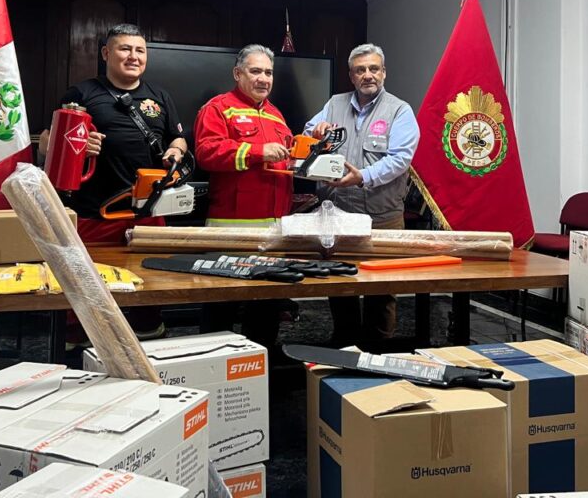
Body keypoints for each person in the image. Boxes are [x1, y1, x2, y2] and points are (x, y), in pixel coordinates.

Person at [39, 23, 187, 340]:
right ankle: (81, 350)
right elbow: (46, 141)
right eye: (125, 49)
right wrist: (77, 144)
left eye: (140, 50)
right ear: (107, 53)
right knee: (87, 288)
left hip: (148, 214)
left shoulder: (159, 95)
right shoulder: (82, 93)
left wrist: (175, 149)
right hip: (95, 212)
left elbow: (179, 138)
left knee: (151, 288)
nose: (133, 56)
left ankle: (148, 341)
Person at [304, 43, 419, 347]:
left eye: (374, 69)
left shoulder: (400, 110)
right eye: (360, 70)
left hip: (381, 218)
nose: (368, 75)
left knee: (381, 289)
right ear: (351, 76)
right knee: (340, 282)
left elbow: (399, 160)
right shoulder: (334, 103)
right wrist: (317, 130)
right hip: (337, 214)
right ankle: (344, 343)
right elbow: (307, 131)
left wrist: (362, 177)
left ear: (384, 72)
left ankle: (378, 348)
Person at [194, 44, 293, 345]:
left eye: (269, 72)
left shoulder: (277, 116)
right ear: (238, 74)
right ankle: (214, 369)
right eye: (256, 71)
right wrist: (257, 151)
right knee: (220, 310)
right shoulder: (217, 108)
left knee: (266, 310)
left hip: (275, 235)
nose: (264, 78)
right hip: (230, 232)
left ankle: (262, 369)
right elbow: (206, 153)